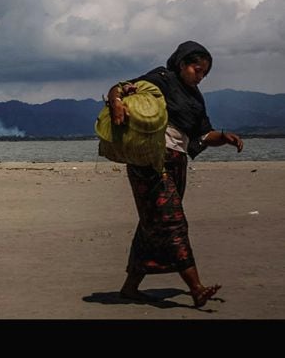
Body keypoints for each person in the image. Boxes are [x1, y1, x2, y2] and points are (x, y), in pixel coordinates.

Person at [104, 40, 243, 308]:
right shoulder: (162, 79)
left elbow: (202, 134)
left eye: (204, 73)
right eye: (196, 69)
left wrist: (223, 137)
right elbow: (120, 87)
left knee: (152, 225)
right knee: (172, 222)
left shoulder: (195, 98)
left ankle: (130, 288)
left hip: (177, 162)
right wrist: (116, 102)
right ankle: (196, 288)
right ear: (181, 63)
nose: (199, 76)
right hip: (151, 161)